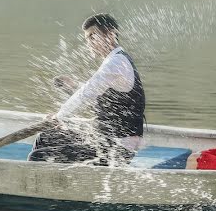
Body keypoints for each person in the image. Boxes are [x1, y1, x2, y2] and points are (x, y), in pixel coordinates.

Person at [28, 14, 145, 166]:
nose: (88, 43)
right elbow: (99, 93)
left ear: (111, 35)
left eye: (92, 36)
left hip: (118, 148)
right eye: (87, 39)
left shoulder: (116, 62)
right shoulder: (114, 60)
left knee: (38, 156)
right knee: (45, 137)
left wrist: (59, 117)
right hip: (104, 139)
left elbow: (86, 94)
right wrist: (75, 87)